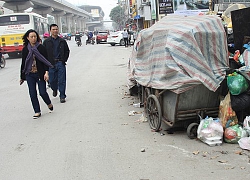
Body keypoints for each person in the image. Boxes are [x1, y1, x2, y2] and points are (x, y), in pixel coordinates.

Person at [20, 29, 54, 119]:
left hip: (40, 73)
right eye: (31, 37)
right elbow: (23, 63)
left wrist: (46, 73)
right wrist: (22, 77)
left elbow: (46, 61)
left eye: (35, 36)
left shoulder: (41, 48)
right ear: (27, 38)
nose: (34, 38)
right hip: (29, 74)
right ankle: (37, 111)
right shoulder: (25, 49)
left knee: (42, 92)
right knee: (32, 93)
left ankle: (48, 103)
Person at [43, 24, 70, 103]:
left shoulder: (62, 41)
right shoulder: (46, 42)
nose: (55, 31)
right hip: (50, 64)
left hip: (60, 63)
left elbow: (67, 51)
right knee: (52, 81)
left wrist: (63, 60)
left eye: (56, 29)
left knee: (62, 80)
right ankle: (54, 89)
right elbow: (43, 53)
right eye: (53, 29)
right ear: (50, 31)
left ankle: (62, 95)